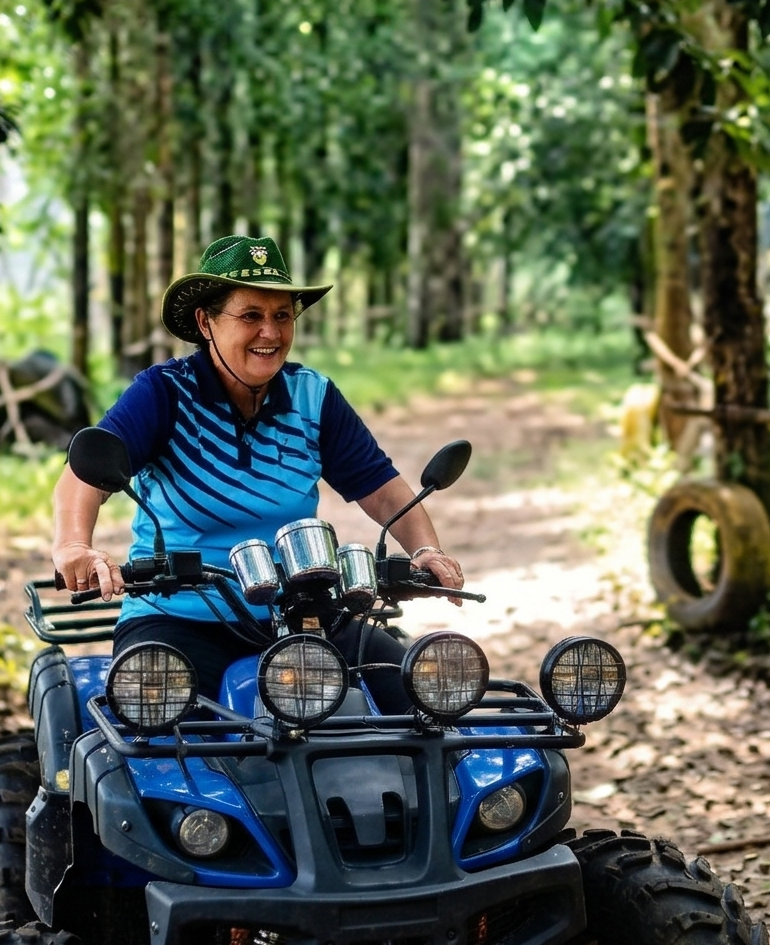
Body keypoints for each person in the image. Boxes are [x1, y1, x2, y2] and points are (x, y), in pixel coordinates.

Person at [50, 234, 463, 711]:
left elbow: (383, 489)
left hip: (300, 614)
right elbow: (83, 476)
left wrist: (426, 549)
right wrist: (74, 547)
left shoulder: (313, 396)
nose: (270, 332)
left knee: (423, 701)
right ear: (206, 323)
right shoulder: (163, 393)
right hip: (178, 618)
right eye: (251, 316)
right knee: (154, 742)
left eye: (282, 316)